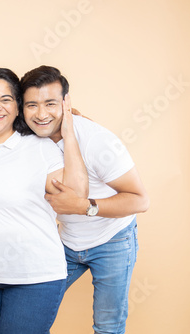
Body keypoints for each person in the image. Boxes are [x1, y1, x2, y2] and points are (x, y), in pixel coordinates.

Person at [0, 68, 88, 334]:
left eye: (6, 99)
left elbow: (77, 194)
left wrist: (69, 134)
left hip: (35, 278)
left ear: (18, 108)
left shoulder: (39, 147)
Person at [20, 65, 150, 334]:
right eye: (32, 105)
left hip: (113, 240)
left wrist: (84, 206)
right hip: (66, 243)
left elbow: (140, 200)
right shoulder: (27, 137)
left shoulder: (97, 141)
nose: (41, 114)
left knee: (107, 327)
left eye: (50, 103)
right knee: (29, 312)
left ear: (66, 103)